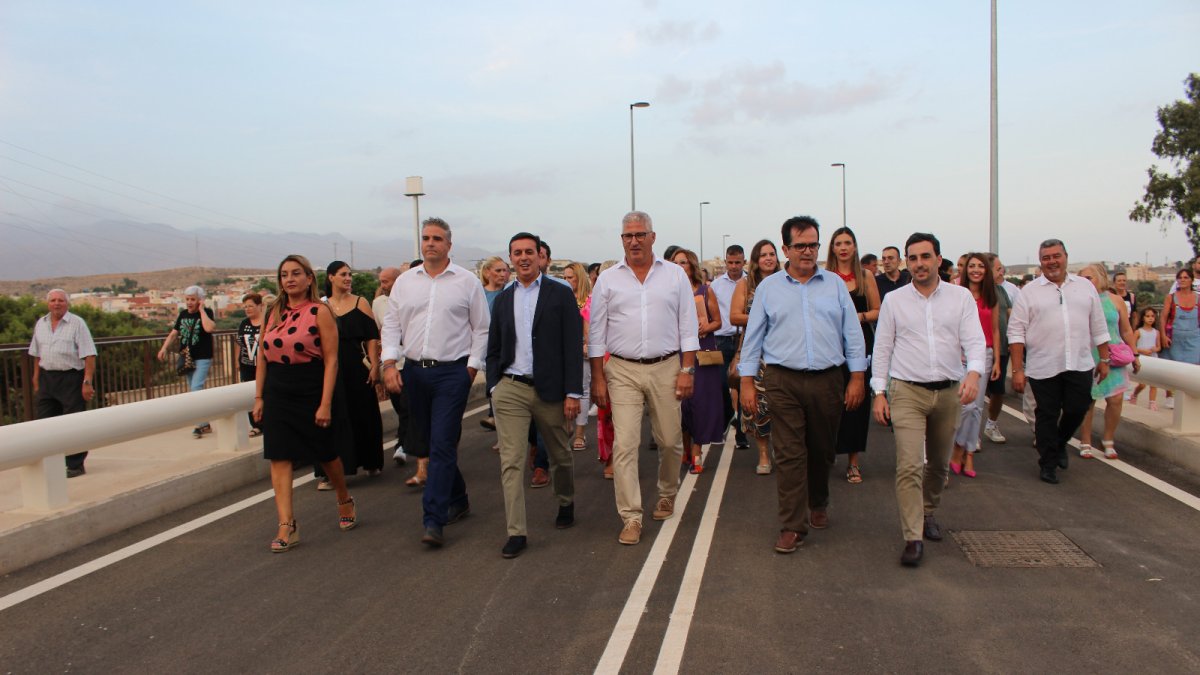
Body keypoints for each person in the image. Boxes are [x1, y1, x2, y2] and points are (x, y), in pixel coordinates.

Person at [739, 216, 866, 554]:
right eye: (800, 246)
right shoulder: (769, 288)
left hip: (828, 380)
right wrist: (747, 383)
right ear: (786, 249)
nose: (808, 251)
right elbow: (752, 340)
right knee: (791, 453)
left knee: (823, 450)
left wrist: (857, 377)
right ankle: (792, 526)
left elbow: (852, 334)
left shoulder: (835, 285)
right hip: (783, 380)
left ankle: (818, 500)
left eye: (813, 244)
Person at [871, 232, 985, 567]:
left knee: (937, 464)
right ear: (908, 263)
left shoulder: (960, 298)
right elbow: (883, 350)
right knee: (908, 464)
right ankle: (913, 536)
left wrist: (974, 374)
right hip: (906, 390)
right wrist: (880, 393)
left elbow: (975, 341)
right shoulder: (895, 301)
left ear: (938, 258)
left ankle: (929, 511)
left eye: (925, 256)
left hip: (949, 391)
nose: (919, 264)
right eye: (913, 258)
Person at [589, 211, 699, 546]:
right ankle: (631, 516)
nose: (634, 241)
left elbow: (687, 325)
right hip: (621, 369)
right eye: (627, 236)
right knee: (625, 444)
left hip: (666, 367)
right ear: (621, 239)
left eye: (640, 235)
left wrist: (686, 370)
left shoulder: (675, 275)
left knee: (669, 440)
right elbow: (596, 332)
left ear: (653, 237)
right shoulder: (608, 279)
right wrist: (598, 378)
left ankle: (667, 493)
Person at [382, 217, 490, 547]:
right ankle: (458, 498)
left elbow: (481, 328)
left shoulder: (466, 282)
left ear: (449, 245)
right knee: (428, 442)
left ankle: (433, 519)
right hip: (414, 373)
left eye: (437, 238)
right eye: (426, 238)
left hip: (451, 374)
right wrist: (389, 363)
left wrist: (470, 369)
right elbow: (391, 325)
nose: (431, 243)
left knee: (442, 443)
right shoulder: (404, 282)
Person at [486, 232, 583, 559]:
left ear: (540, 256)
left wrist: (572, 392)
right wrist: (494, 386)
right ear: (510, 257)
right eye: (517, 252)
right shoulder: (503, 298)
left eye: (530, 251)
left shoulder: (560, 292)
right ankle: (516, 532)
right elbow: (494, 348)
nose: (524, 257)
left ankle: (566, 500)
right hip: (511, 388)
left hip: (551, 390)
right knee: (511, 462)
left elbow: (572, 344)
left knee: (559, 455)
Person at [253, 255, 357, 553]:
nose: (290, 279)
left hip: (310, 388)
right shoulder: (272, 311)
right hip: (277, 390)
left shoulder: (319, 311)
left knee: (325, 453)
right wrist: (259, 397)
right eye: (284, 274)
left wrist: (325, 403)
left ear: (309, 278)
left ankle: (343, 497)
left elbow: (332, 359)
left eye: (296, 273)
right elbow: (262, 355)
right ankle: (287, 525)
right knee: (279, 455)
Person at [1008, 239, 1110, 485]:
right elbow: (1016, 332)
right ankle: (1048, 463)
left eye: (1056, 256)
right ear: (1040, 261)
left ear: (1065, 257)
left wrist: (1105, 358)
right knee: (1046, 414)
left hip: (1079, 362)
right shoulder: (1029, 292)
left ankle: (1059, 442)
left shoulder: (1085, 287)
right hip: (1044, 365)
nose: (1051, 261)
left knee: (1077, 408)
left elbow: (1098, 325)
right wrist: (1018, 370)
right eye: (1046, 257)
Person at [318, 261, 383, 486]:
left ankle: (370, 460)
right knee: (333, 417)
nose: (348, 278)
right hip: (329, 369)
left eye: (350, 275)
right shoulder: (321, 306)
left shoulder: (360, 302)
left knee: (362, 413)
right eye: (343, 274)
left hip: (356, 367)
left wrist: (375, 365)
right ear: (330, 278)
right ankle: (331, 471)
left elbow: (372, 337)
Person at [826, 226, 880, 484]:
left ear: (855, 246)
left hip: (859, 344)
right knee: (829, 402)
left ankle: (853, 462)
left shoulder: (866, 276)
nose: (844, 247)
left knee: (856, 404)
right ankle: (828, 453)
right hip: (830, 345)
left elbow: (878, 310)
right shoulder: (824, 276)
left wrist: (856, 317)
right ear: (832, 248)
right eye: (839, 243)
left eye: (848, 242)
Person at [28, 289, 96, 477]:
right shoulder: (40, 324)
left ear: (67, 303)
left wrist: (87, 382)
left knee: (73, 422)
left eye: (60, 300)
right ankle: (51, 462)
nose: (56, 304)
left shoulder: (77, 323)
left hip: (71, 378)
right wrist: (35, 377)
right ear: (47, 303)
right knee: (45, 422)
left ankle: (75, 464)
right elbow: (36, 354)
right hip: (47, 378)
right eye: (53, 300)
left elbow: (89, 354)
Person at [948, 253, 1002, 478]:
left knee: (976, 408)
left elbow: (996, 330)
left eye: (981, 266)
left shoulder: (992, 295)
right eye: (972, 266)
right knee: (964, 405)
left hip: (985, 355)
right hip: (959, 356)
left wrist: (998, 359)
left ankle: (967, 453)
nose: (976, 270)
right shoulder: (956, 293)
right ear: (965, 270)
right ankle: (957, 448)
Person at [1076, 264, 1139, 460]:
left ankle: (1108, 439)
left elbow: (1126, 329)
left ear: (1101, 278)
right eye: (1083, 278)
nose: (1086, 282)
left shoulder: (1116, 300)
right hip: (1088, 355)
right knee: (1088, 400)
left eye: (1090, 278)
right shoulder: (1078, 301)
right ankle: (1085, 440)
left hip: (1114, 354)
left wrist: (1135, 354)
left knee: (1116, 399)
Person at [672, 248, 725, 474]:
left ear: (692, 266)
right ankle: (685, 448)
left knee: (700, 403)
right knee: (681, 406)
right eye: (675, 262)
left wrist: (706, 326)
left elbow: (718, 322)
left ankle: (696, 451)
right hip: (675, 352)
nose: (680, 266)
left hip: (702, 354)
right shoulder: (669, 291)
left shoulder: (705, 291)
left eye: (683, 262)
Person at [731, 239, 780, 474]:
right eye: (763, 255)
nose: (768, 258)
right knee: (759, 406)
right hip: (756, 352)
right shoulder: (745, 284)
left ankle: (782, 450)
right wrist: (762, 319)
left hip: (782, 351)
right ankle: (763, 454)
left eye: (772, 254)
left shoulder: (785, 281)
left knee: (782, 404)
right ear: (755, 260)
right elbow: (734, 316)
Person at [157, 286, 215, 438]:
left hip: (202, 356)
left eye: (193, 299)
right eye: (187, 299)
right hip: (187, 357)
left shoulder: (207, 313)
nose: (189, 302)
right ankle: (205, 424)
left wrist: (201, 310)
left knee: (196, 388)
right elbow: (174, 334)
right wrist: (164, 348)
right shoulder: (182, 315)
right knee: (194, 390)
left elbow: (209, 328)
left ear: (200, 300)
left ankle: (199, 425)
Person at [373, 266, 413, 468]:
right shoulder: (378, 304)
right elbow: (379, 332)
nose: (383, 286)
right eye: (381, 281)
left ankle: (402, 445)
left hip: (411, 363)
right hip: (392, 366)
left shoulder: (411, 299)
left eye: (386, 281)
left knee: (406, 406)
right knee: (399, 405)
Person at [711, 244, 748, 450]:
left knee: (743, 386)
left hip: (744, 339)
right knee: (721, 385)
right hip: (721, 340)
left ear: (744, 262)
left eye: (738, 262)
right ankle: (730, 417)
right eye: (730, 262)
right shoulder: (716, 285)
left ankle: (742, 433)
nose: (734, 266)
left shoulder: (749, 283)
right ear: (726, 262)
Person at [983, 255, 1015, 444]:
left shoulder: (1001, 291)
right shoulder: (971, 292)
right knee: (974, 395)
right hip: (979, 351)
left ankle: (991, 424)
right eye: (998, 268)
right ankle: (969, 433)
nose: (1001, 272)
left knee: (998, 391)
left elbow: (1012, 315)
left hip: (1001, 350)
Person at [562, 262, 593, 451]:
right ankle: (567, 427)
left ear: (579, 278)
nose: (566, 281)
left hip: (582, 350)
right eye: (564, 277)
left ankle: (580, 433)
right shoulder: (560, 297)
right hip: (562, 350)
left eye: (570, 277)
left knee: (582, 390)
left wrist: (587, 344)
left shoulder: (589, 300)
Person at [1162, 268, 1200, 410]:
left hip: (1194, 337)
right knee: (1173, 369)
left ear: (1191, 280)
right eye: (1180, 277)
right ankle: (1171, 396)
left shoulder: (1198, 298)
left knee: (1193, 369)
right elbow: (1164, 317)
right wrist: (1163, 335)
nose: (1182, 280)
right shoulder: (1171, 298)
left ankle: (1192, 399)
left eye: (1185, 277)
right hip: (1175, 338)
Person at [478, 256, 509, 433]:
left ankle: (499, 424)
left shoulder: (510, 292)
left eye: (505, 270)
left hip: (507, 347)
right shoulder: (479, 293)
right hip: (486, 348)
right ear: (487, 272)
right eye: (498, 270)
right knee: (494, 385)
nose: (503, 274)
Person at [236, 293, 265, 437]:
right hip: (247, 365)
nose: (247, 309)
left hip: (264, 365)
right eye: (245, 306)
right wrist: (237, 362)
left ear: (260, 306)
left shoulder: (267, 322)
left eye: (250, 306)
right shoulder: (244, 323)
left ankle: (267, 422)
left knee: (264, 393)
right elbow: (239, 343)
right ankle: (256, 425)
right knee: (249, 395)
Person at [1128, 307, 1162, 410]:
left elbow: (1159, 347)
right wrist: (1142, 351)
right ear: (1143, 318)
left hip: (1153, 359)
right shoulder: (1138, 332)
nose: (1150, 318)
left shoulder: (1156, 332)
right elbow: (1132, 346)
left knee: (1153, 383)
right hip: (1142, 359)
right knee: (1142, 384)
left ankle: (1152, 402)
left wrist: (1155, 349)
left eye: (1152, 316)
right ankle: (1134, 394)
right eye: (1147, 316)